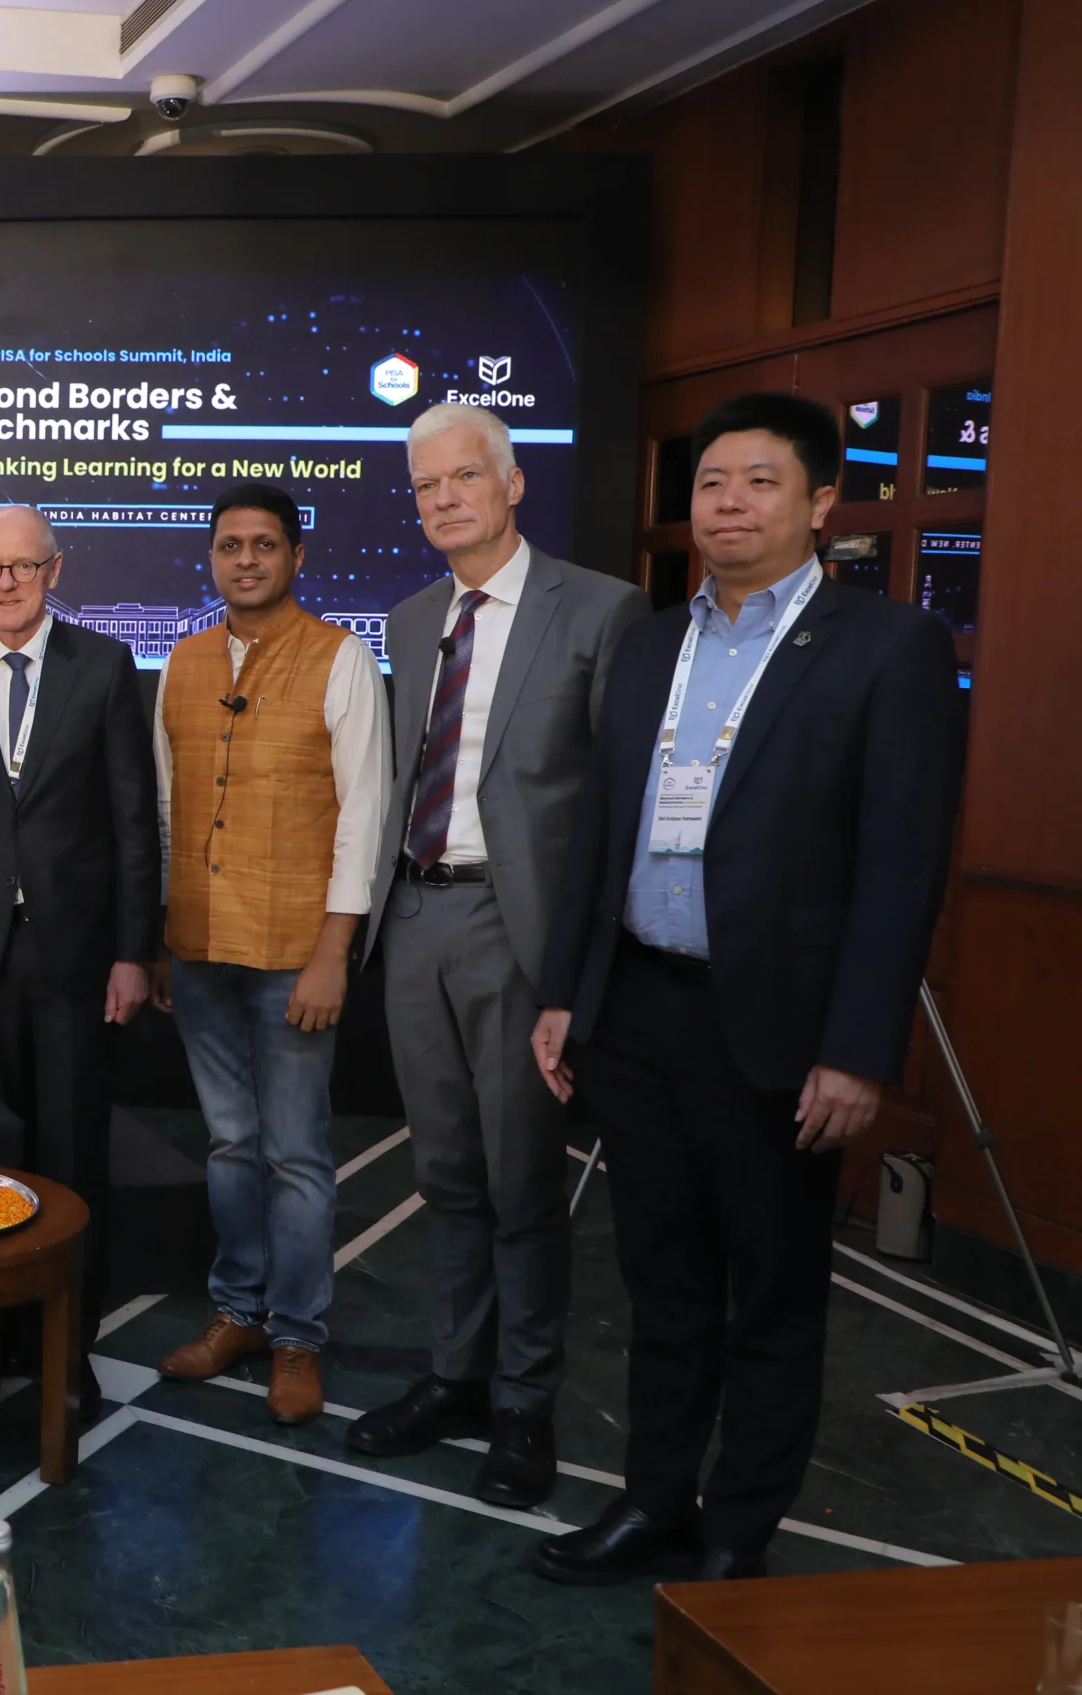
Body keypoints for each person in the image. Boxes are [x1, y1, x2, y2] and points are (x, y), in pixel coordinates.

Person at [528, 393, 963, 1584]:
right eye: (711, 482)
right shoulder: (650, 643)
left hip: (775, 1028)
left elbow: (900, 866)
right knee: (660, 1279)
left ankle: (737, 1528)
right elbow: (600, 831)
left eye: (758, 482)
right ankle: (653, 1501)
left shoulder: (888, 647)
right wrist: (567, 990)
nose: (726, 503)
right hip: (638, 1008)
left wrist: (859, 1048)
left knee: (769, 1292)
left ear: (820, 503)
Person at [346, 405, 648, 1508]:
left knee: (523, 1182)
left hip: (521, 932)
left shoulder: (601, 610)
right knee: (443, 1174)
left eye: (463, 477)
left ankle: (524, 1403)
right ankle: (455, 1376)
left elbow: (615, 803)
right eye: (425, 486)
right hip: (415, 917)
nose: (443, 500)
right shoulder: (410, 618)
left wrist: (580, 972)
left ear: (513, 484)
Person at [0, 505, 162, 1421]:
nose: (6, 582)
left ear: (55, 570)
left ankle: (66, 1349)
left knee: (72, 1157)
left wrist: (133, 951)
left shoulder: (105, 667)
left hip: (80, 957)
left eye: (23, 566)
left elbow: (134, 824)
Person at [152, 484, 390, 1424]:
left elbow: (365, 815)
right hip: (199, 943)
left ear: (296, 555)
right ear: (211, 558)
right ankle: (239, 1313)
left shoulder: (341, 658)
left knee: (294, 1152)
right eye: (229, 545)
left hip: (296, 949)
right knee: (229, 1143)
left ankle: (297, 1335)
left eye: (263, 544)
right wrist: (162, 937)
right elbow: (167, 809)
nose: (245, 560)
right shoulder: (183, 660)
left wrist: (335, 950)